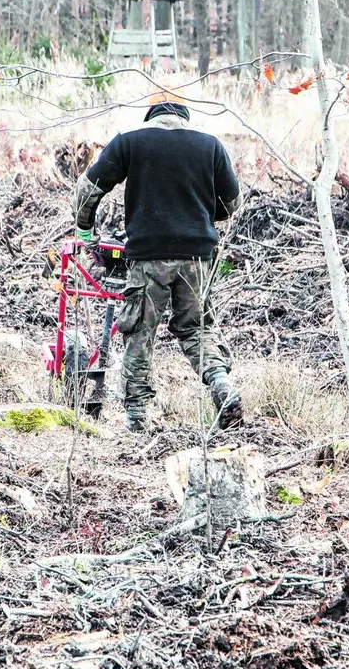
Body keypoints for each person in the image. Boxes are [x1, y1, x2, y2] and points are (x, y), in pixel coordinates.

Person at [73, 90, 244, 432]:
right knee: (197, 328)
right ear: (184, 119)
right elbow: (232, 202)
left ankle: (136, 418)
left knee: (139, 332)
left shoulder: (130, 142)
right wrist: (202, 220)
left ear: (150, 118)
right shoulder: (209, 145)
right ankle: (221, 384)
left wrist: (86, 229)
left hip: (148, 256)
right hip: (197, 257)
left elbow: (88, 187)